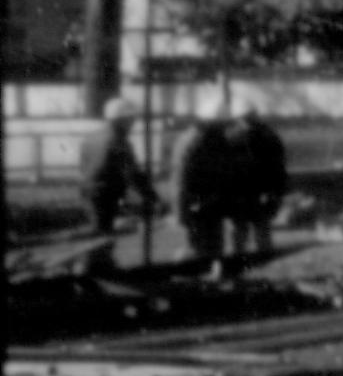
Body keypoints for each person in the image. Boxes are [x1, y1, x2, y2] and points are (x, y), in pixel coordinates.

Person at [78, 99, 157, 262]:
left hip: (88, 190)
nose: (133, 124)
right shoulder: (118, 142)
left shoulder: (91, 137)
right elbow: (133, 173)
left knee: (99, 231)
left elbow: (84, 165)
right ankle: (97, 267)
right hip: (105, 193)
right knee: (103, 235)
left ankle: (100, 264)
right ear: (120, 120)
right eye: (131, 120)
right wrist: (151, 196)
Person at [174, 113, 248, 280]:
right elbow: (186, 177)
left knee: (208, 245)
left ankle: (206, 275)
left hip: (206, 202)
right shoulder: (199, 142)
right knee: (203, 245)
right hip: (201, 203)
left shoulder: (200, 139)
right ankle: (196, 276)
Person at [236, 104, 292, 261]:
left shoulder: (241, 136)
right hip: (255, 191)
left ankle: (245, 258)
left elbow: (278, 166)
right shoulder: (268, 135)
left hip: (252, 191)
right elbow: (280, 166)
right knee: (256, 229)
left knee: (247, 230)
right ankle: (258, 257)